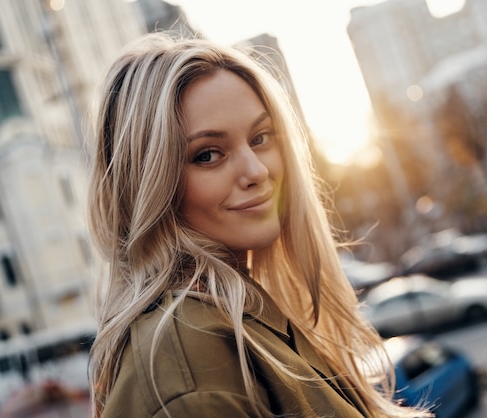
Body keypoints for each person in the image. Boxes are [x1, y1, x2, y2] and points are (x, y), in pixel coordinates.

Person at [86, 32, 431, 418]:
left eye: (260, 137)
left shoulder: (248, 318)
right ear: (148, 184)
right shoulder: (190, 371)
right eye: (208, 155)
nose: (257, 170)